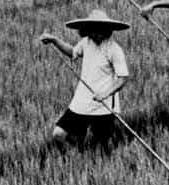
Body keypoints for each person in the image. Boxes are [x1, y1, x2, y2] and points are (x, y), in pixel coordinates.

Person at [39, 9, 130, 147]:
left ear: (107, 30)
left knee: (101, 145)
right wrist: (54, 40)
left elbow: (123, 78)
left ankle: (90, 160)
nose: (96, 34)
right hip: (82, 101)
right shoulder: (86, 42)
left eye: (100, 31)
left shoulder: (114, 50)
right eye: (93, 31)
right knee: (59, 134)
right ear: (88, 30)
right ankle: (74, 155)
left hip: (103, 106)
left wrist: (105, 94)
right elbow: (72, 52)